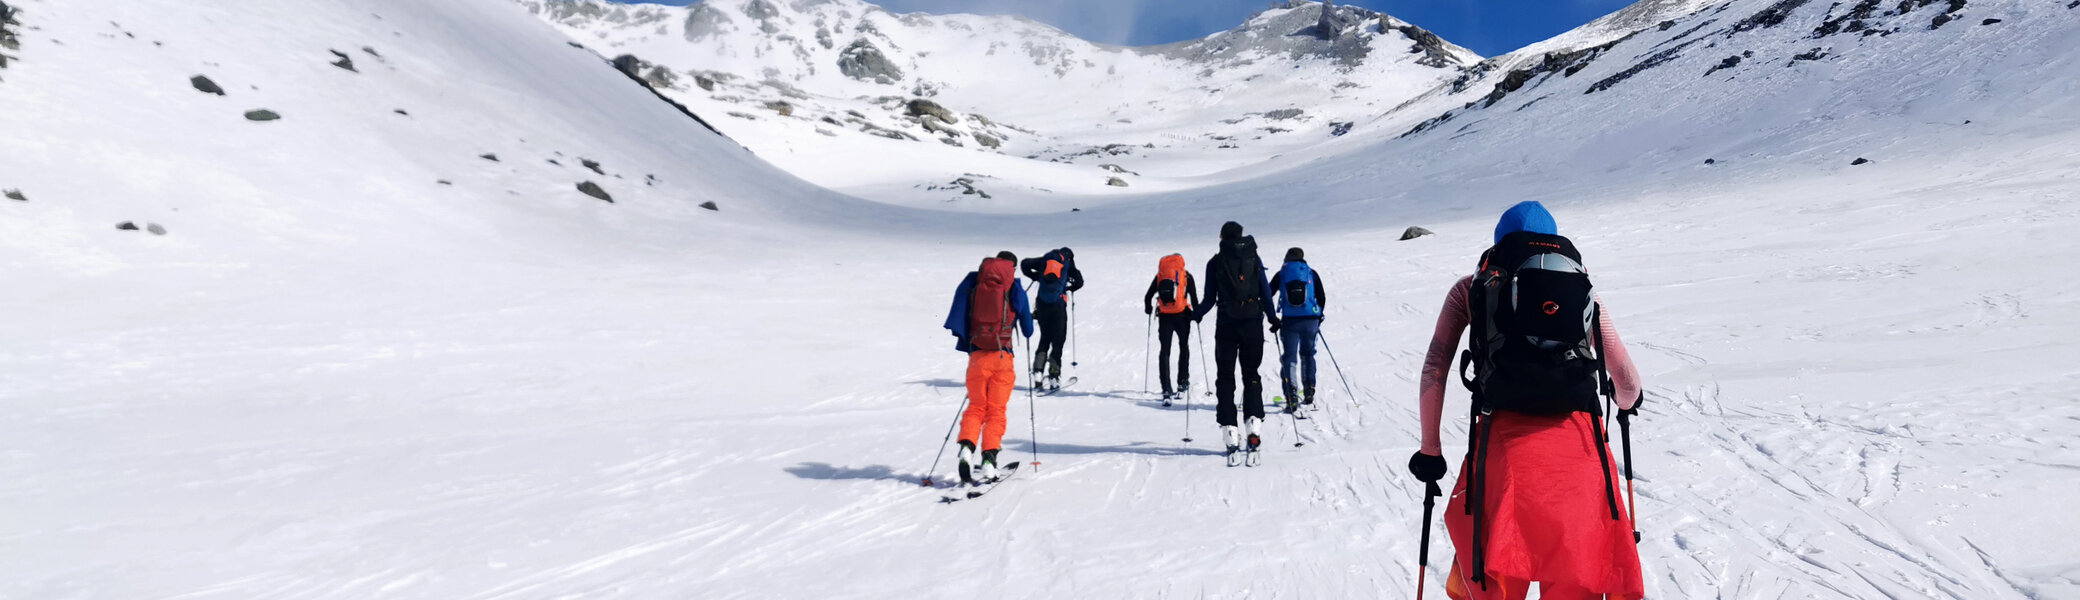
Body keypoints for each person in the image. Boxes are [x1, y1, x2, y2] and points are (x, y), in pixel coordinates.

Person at [1407, 202, 1646, 600]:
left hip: (1503, 460)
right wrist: (1626, 402)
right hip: (1579, 456)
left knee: (1497, 576)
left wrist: (1431, 450)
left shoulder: (1473, 287)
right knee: (1577, 578)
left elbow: (1435, 366)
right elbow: (1624, 377)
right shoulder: (1582, 291)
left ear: (1501, 244)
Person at [943, 251, 1036, 485]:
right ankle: (989, 460)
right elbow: (1028, 330)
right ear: (1011, 267)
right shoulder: (1014, 288)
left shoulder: (974, 284)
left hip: (977, 356)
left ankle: (966, 448)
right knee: (996, 410)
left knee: (976, 407)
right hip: (1003, 357)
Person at [1192, 222, 1281, 462]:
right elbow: (1264, 291)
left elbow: (1210, 298)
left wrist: (1197, 313)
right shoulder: (1254, 256)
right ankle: (1253, 426)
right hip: (1253, 322)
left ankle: (1230, 430)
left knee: (1225, 377)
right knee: (1251, 373)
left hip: (1226, 325)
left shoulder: (1216, 261)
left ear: (1222, 236)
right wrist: (1273, 318)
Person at [1269, 247, 1326, 412]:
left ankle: (1291, 395)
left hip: (1289, 322)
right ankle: (1309, 390)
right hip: (1310, 320)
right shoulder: (1310, 272)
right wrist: (1319, 316)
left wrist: (1273, 317)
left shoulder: (1282, 273)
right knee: (1308, 354)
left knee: (1289, 358)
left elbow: (1268, 293)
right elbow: (1321, 296)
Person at [1020, 247, 1084, 390]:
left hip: (1042, 306)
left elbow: (1024, 264)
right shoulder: (1068, 264)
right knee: (1058, 341)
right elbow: (1079, 282)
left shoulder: (1045, 260)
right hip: (1058, 307)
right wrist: (1069, 288)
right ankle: (1054, 376)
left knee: (1044, 339)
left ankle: (1037, 373)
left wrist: (1036, 276)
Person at [1142, 254, 1200, 402]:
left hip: (1165, 316)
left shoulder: (1161, 276)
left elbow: (1148, 296)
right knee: (1183, 347)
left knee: (1165, 351)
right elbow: (1193, 297)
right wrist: (1196, 314)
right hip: (1182, 316)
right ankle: (1182, 382)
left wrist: (1148, 308)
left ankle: (1166, 388)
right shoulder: (1186, 276)